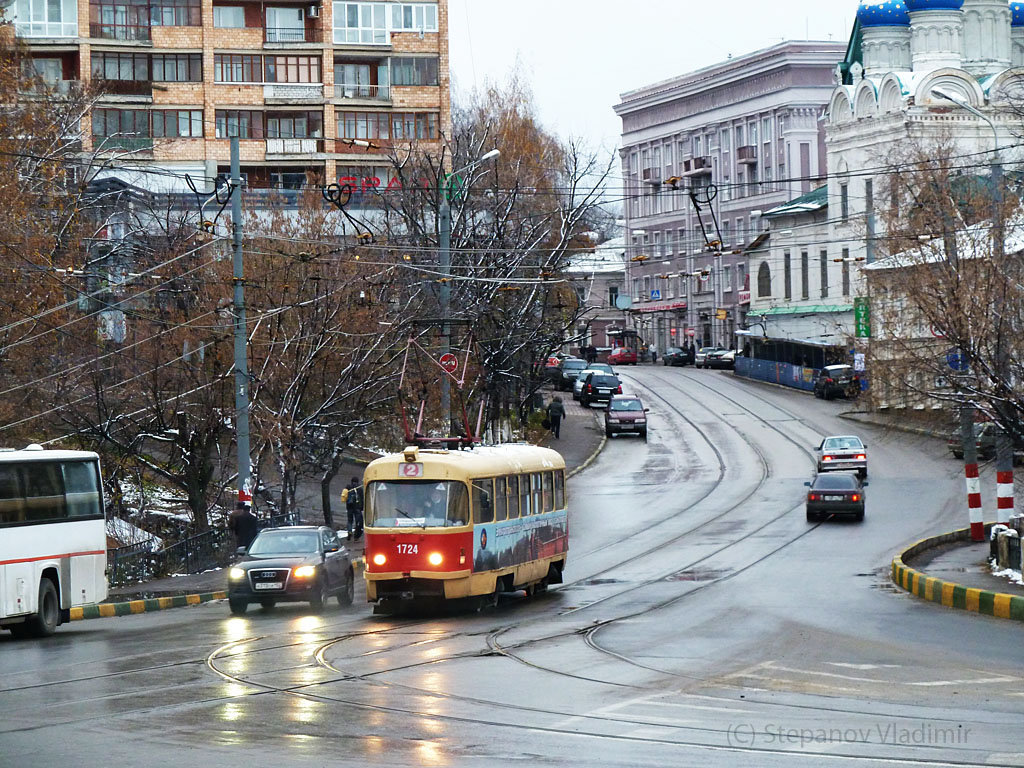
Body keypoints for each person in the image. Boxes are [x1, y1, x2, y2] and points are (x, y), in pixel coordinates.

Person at [344, 476, 364, 540]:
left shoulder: (348, 487)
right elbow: (362, 498)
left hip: (350, 506)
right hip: (357, 507)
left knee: (350, 520)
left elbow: (345, 496)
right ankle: (356, 535)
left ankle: (349, 531)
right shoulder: (360, 488)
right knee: (358, 521)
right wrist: (362, 507)